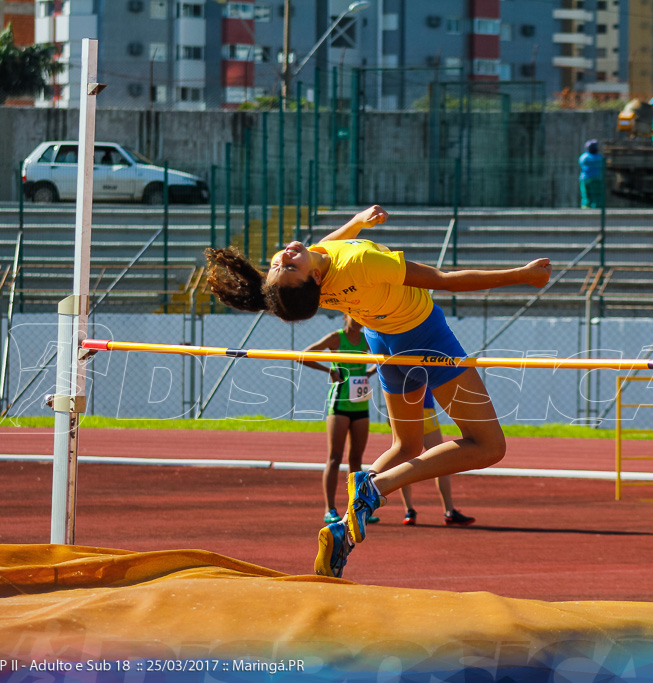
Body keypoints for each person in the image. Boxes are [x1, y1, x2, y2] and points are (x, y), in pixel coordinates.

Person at [205, 205, 551, 578]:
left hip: (383, 344)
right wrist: (523, 275)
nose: (284, 257)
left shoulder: (315, 277)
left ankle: (341, 533)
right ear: (316, 281)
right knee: (489, 446)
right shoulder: (363, 262)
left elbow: (324, 249)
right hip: (426, 339)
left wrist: (356, 222)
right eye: (288, 266)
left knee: (406, 446)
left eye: (278, 265)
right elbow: (445, 280)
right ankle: (378, 484)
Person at [299, 314, 380, 526]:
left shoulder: (366, 340)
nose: (359, 320)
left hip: (361, 403)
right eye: (355, 315)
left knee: (356, 459)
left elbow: (385, 357)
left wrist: (371, 372)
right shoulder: (337, 338)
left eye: (362, 316)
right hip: (339, 403)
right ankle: (330, 508)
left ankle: (357, 509)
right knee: (335, 457)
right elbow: (304, 356)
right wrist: (330, 370)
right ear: (346, 316)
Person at [399, 388, 476, 527]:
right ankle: (444, 510)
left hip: (411, 409)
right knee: (437, 460)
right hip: (415, 409)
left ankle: (411, 511)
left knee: (411, 458)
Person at [578, 140, 605, 209]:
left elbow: (581, 163)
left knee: (586, 195)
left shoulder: (584, 157)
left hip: (585, 178)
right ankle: (597, 210)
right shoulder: (599, 158)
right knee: (596, 195)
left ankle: (585, 210)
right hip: (597, 178)